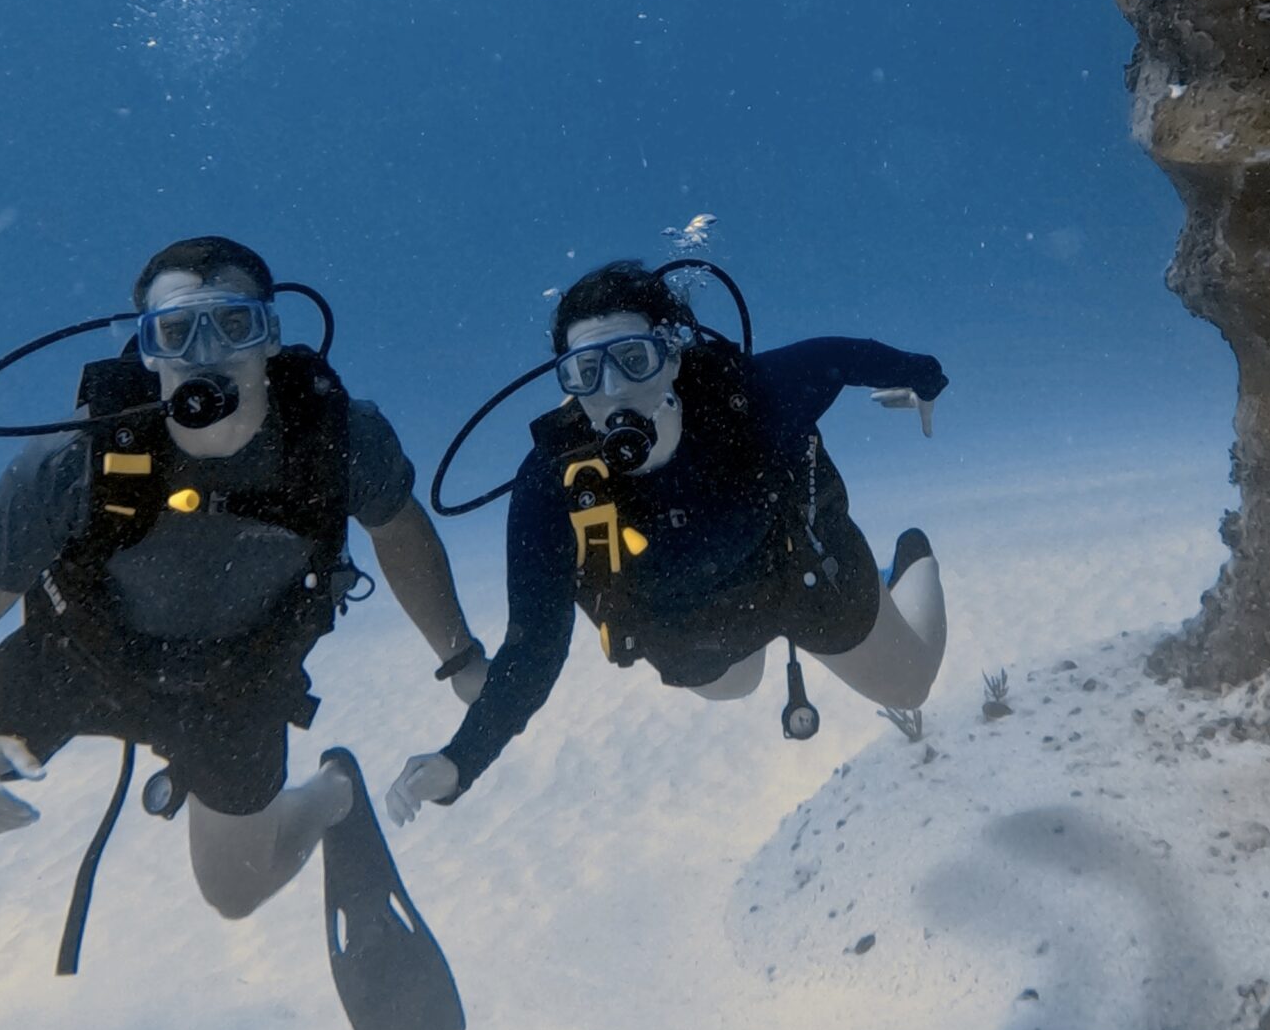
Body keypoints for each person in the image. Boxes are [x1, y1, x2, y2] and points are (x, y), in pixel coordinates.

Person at [0, 236, 489, 926]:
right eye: (178, 332)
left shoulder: (336, 437)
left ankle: (334, 791)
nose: (206, 354)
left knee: (235, 894)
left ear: (270, 337)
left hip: (239, 679)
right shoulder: (76, 457)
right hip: (79, 657)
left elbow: (400, 531)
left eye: (234, 325)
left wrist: (458, 654)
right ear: (148, 349)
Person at [386, 260, 949, 824]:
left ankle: (911, 558)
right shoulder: (552, 483)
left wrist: (924, 377)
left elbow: (843, 356)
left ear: (672, 355)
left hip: (807, 575)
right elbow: (533, 647)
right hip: (692, 623)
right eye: (584, 371)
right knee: (733, 686)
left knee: (911, 686)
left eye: (633, 361)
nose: (611, 391)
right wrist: (461, 760)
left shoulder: (748, 395)